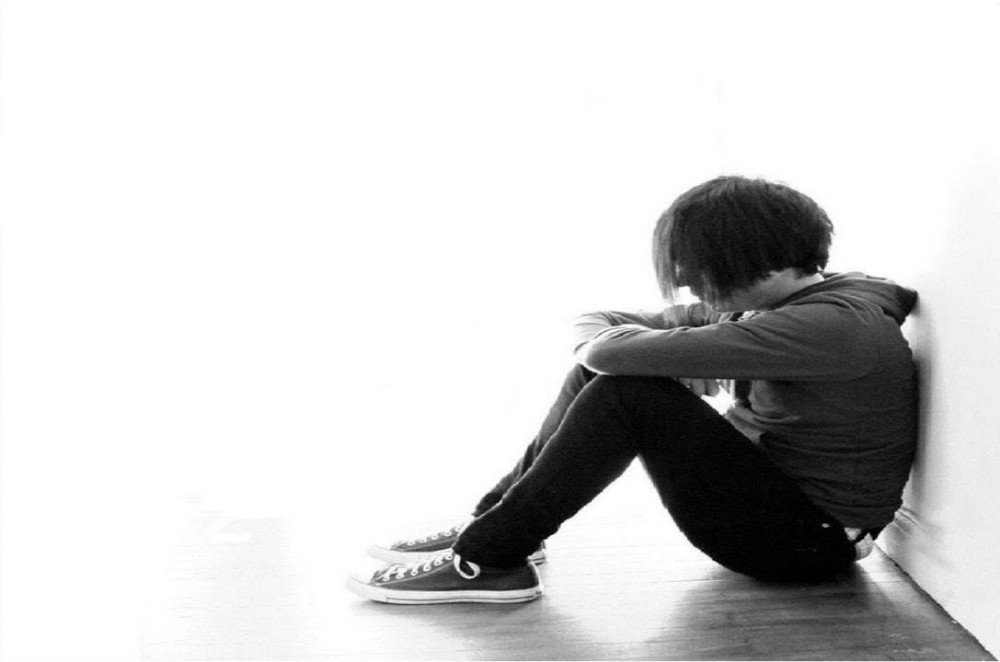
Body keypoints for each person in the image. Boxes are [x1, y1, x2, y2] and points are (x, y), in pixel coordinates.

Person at [346, 175, 918, 605]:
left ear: (755, 258)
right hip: (784, 514)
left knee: (627, 393)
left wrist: (644, 354)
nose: (688, 282)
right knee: (608, 376)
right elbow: (597, 325)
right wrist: (652, 351)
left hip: (803, 543)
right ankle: (495, 526)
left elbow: (607, 348)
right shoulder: (779, 305)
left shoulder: (828, 326)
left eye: (699, 267)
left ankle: (489, 559)